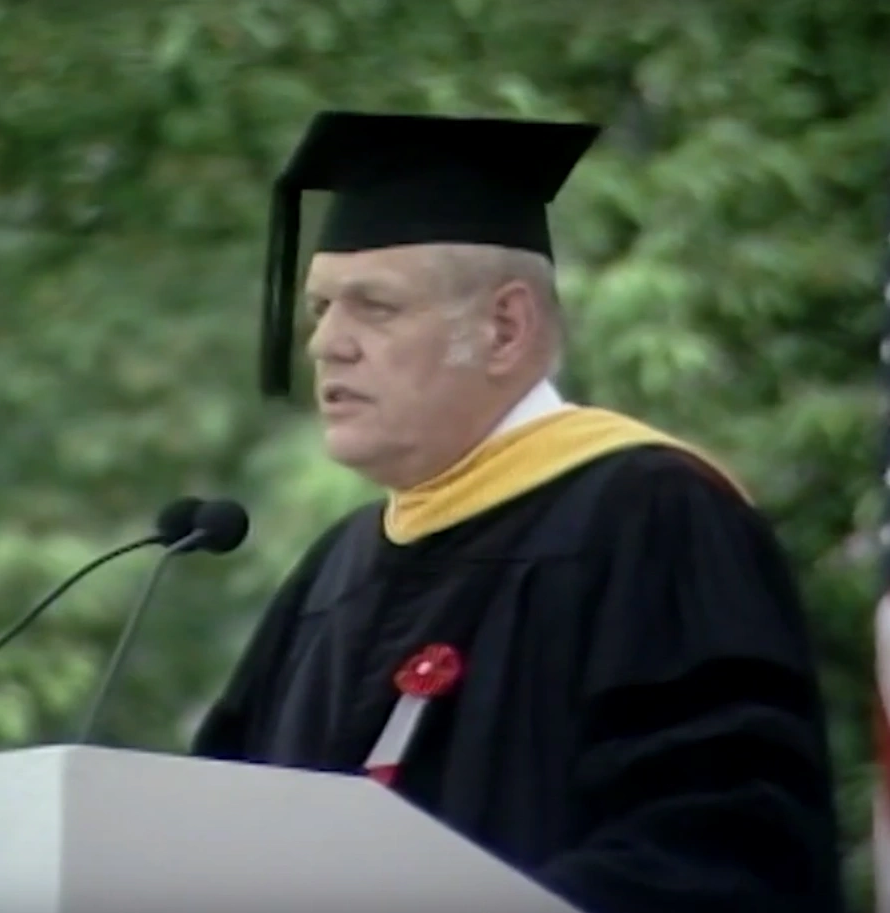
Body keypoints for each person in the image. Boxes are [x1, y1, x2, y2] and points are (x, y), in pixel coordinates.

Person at [191, 110, 846, 913]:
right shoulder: (333, 569)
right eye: (320, 307)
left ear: (503, 328)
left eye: (374, 307)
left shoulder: (654, 519)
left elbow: (722, 845)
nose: (327, 342)